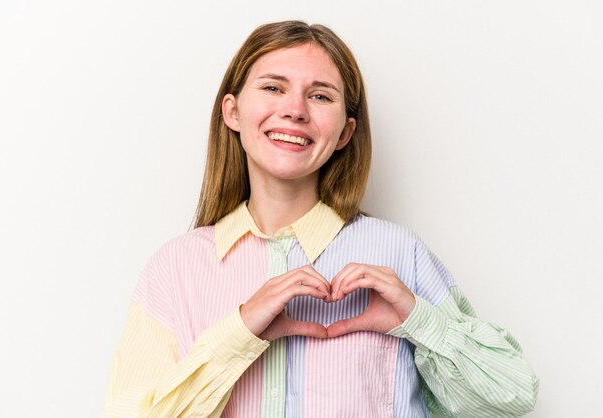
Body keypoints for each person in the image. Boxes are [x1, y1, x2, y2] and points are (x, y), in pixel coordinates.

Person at [104, 20, 538, 418]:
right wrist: (240, 331)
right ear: (232, 111)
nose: (295, 110)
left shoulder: (399, 254)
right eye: (273, 88)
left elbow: (512, 398)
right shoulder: (175, 269)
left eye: (320, 95)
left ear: (345, 133)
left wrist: (417, 319)